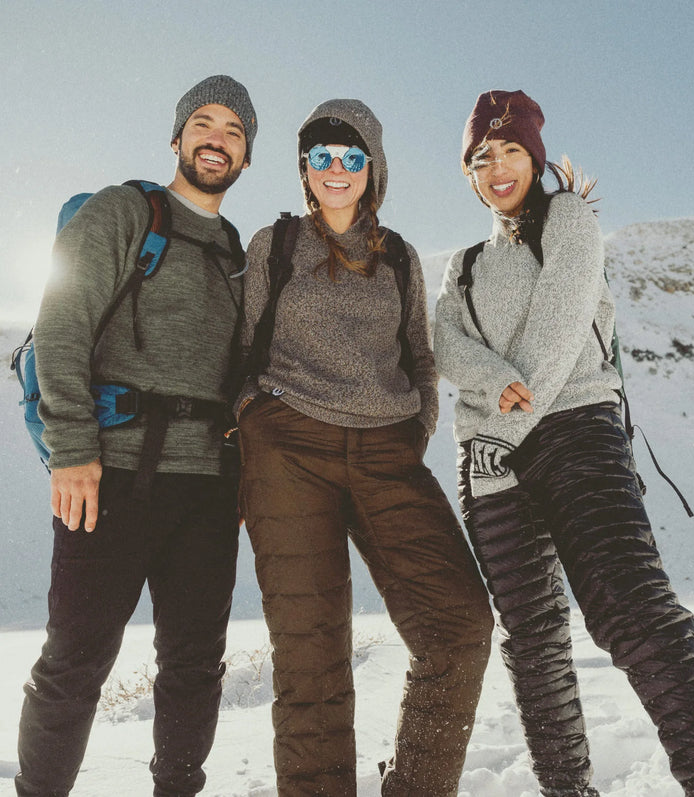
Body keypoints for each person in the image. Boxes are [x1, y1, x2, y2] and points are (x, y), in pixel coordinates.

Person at [434, 89, 694, 797]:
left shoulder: (569, 221)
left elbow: (555, 337)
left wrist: (499, 427)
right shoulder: (460, 269)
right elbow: (445, 346)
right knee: (534, 638)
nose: (497, 167)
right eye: (481, 156)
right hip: (489, 465)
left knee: (630, 607)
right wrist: (491, 382)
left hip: (575, 430)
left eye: (510, 150)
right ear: (468, 170)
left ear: (535, 155)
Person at [235, 98, 493, 796]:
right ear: (305, 169)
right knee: (311, 661)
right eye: (322, 156)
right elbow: (241, 349)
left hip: (385, 451)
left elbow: (421, 356)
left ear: (373, 168)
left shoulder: (400, 257)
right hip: (287, 449)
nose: (337, 169)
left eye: (352, 157)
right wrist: (248, 426)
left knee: (461, 623)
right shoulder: (275, 246)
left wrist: (415, 428)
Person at [15, 74, 257, 797]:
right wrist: (73, 450)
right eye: (205, 124)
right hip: (109, 476)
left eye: (235, 131)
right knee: (76, 659)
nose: (218, 139)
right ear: (178, 137)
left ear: (246, 157)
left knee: (193, 663)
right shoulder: (126, 211)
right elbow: (61, 324)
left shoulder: (238, 251)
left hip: (208, 490)